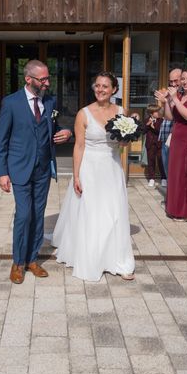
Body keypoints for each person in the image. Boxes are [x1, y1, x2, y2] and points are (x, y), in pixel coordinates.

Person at [52, 72, 135, 281]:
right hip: (89, 167)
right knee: (91, 214)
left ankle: (117, 259)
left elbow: (123, 145)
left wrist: (128, 135)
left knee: (114, 213)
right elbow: (79, 146)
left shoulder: (121, 111)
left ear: (114, 89)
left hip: (111, 167)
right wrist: (76, 175)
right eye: (97, 85)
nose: (100, 89)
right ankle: (91, 258)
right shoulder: (83, 114)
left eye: (105, 86)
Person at [0, 59, 72, 284]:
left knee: (38, 215)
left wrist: (66, 132)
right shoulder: (11, 103)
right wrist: (2, 172)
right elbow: (2, 140)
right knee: (24, 215)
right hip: (19, 168)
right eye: (43, 79)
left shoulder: (50, 101)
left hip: (43, 169)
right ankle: (18, 262)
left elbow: (55, 127)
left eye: (48, 78)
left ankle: (32, 259)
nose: (47, 83)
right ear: (29, 79)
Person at [155, 68, 187, 221]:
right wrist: (166, 102)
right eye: (182, 79)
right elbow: (170, 117)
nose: (184, 82)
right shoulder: (179, 96)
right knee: (176, 172)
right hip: (177, 136)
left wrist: (174, 98)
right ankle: (177, 208)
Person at [157, 68, 182, 188]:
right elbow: (162, 115)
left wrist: (168, 101)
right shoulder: (168, 93)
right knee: (167, 169)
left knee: (177, 171)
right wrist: (162, 103)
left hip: (176, 137)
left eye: (175, 81)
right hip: (165, 135)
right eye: (170, 81)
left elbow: (172, 117)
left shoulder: (183, 95)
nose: (172, 84)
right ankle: (171, 198)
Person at [143, 104, 164, 188]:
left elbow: (160, 131)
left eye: (158, 111)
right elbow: (143, 131)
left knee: (161, 160)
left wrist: (153, 127)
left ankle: (164, 178)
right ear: (151, 113)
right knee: (151, 161)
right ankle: (151, 178)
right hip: (150, 144)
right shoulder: (146, 120)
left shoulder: (161, 120)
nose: (158, 113)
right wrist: (148, 125)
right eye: (156, 111)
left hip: (159, 143)